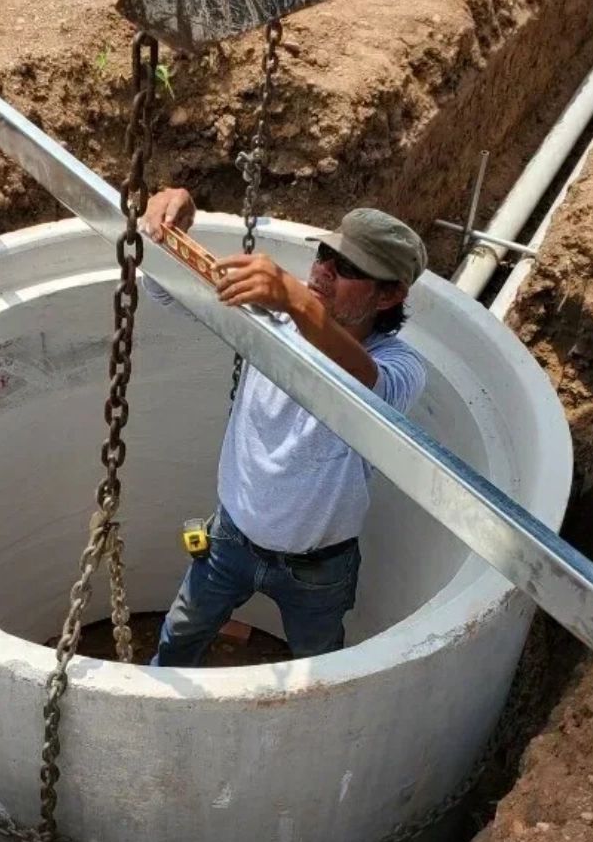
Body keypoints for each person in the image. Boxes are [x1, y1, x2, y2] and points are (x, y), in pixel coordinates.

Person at [142, 187, 428, 667]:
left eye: (349, 269)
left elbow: (368, 385)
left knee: (318, 670)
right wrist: (171, 231)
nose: (323, 273)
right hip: (230, 541)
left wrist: (296, 300)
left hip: (318, 570)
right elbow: (165, 287)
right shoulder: (272, 311)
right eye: (325, 255)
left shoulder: (399, 364)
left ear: (391, 294)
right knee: (179, 638)